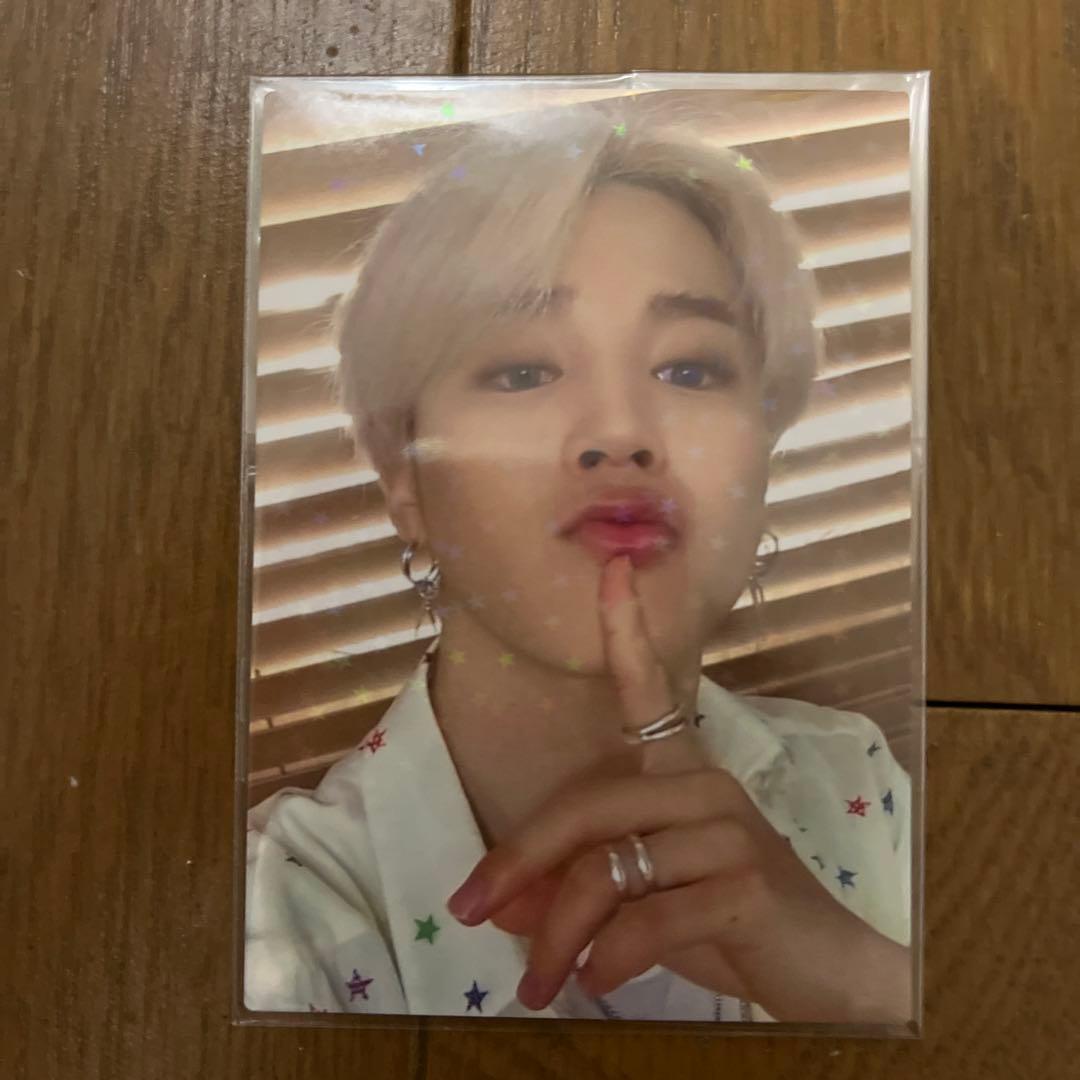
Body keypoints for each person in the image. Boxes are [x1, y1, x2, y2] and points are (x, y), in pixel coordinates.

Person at [243, 103, 914, 1025]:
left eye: (689, 370)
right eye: (523, 371)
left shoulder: (864, 785)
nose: (620, 433)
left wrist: (868, 987)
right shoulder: (278, 920)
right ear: (406, 480)